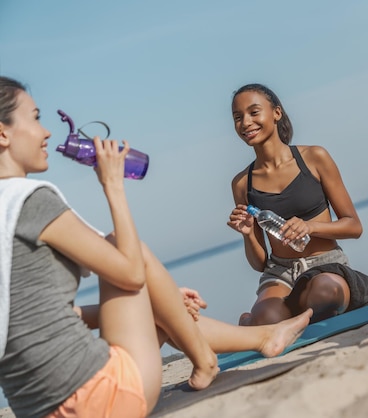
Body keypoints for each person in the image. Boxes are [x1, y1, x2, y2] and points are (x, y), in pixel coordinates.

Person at [0, 76, 313, 418]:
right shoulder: (29, 202)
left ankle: (263, 337)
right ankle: (206, 359)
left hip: (40, 410)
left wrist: (160, 302)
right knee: (121, 244)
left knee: (161, 308)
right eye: (34, 118)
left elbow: (39, 319)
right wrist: (113, 187)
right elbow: (131, 273)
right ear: (3, 133)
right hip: (102, 400)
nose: (45, 132)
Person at [228, 83, 368, 326]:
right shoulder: (242, 184)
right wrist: (247, 234)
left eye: (254, 112)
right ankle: (256, 319)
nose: (245, 123)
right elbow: (260, 264)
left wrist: (310, 227)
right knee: (267, 320)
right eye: (238, 117)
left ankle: (282, 315)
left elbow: (354, 227)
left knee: (324, 295)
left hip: (326, 264)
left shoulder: (314, 158)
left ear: (276, 113)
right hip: (280, 273)